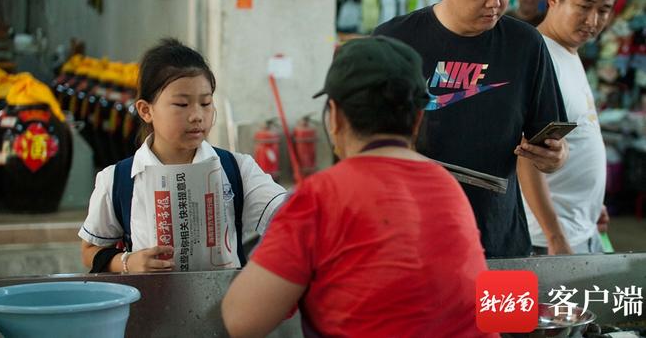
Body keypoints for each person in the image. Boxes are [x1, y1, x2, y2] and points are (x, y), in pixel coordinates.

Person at [222, 36, 495, 338]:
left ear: (335, 117)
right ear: (417, 119)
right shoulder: (448, 186)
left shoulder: (321, 195)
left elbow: (241, 320)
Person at [373, 0, 569, 258]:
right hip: (409, 243)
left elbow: (548, 142)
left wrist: (554, 157)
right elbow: (362, 141)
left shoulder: (526, 45)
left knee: (505, 313)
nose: (496, 2)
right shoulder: (392, 41)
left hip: (499, 243)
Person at [78, 38, 286, 273]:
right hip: (150, 306)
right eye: (181, 104)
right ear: (146, 110)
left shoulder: (237, 169)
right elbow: (89, 251)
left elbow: (288, 216)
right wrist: (128, 262)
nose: (197, 115)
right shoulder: (117, 180)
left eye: (205, 103)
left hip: (225, 306)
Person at [519, 0, 620, 255]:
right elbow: (527, 156)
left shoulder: (568, 52)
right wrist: (555, 236)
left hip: (580, 227)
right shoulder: (540, 58)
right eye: (584, 6)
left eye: (604, 10)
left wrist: (590, 206)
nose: (594, 21)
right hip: (547, 241)